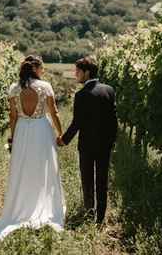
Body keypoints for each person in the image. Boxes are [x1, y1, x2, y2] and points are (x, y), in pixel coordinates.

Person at [0, 55, 66, 243]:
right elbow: (54, 112)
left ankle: (20, 208)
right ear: (35, 69)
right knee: (43, 169)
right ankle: (42, 207)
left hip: (22, 131)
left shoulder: (14, 88)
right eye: (41, 68)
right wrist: (61, 134)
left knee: (22, 169)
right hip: (41, 129)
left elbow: (12, 116)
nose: (42, 71)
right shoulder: (45, 87)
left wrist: (13, 137)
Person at [57, 56, 118, 225]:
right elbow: (113, 119)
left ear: (87, 72)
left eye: (78, 71)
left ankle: (89, 212)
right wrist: (112, 140)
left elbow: (77, 123)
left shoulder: (81, 95)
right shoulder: (109, 90)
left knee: (88, 179)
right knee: (102, 180)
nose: (75, 74)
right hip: (105, 144)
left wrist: (64, 140)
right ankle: (100, 218)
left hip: (87, 145)